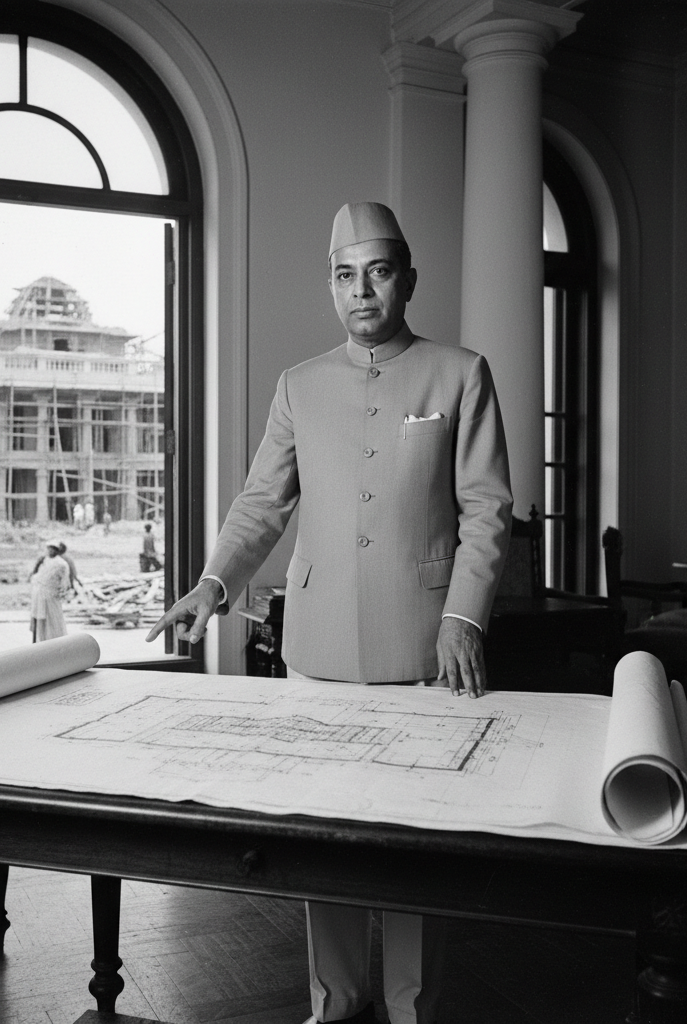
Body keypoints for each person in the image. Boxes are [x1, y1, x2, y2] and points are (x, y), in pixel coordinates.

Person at [147, 202, 512, 1024]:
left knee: (419, 844)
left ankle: (414, 1008)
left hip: (426, 646)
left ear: (407, 279)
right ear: (332, 286)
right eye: (346, 276)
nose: (361, 291)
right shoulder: (298, 385)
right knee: (327, 837)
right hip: (315, 650)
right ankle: (335, 1002)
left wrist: (464, 616)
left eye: (377, 273)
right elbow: (261, 504)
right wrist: (214, 583)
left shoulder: (461, 373)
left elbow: (488, 509)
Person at [29, 540, 70, 642]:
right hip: (39, 594)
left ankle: (55, 642)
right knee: (38, 620)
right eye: (49, 548)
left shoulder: (61, 564)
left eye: (53, 549)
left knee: (53, 621)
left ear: (57, 550)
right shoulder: (43, 560)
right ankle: (38, 642)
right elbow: (35, 576)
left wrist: (61, 593)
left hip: (51, 596)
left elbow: (65, 583)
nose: (51, 551)